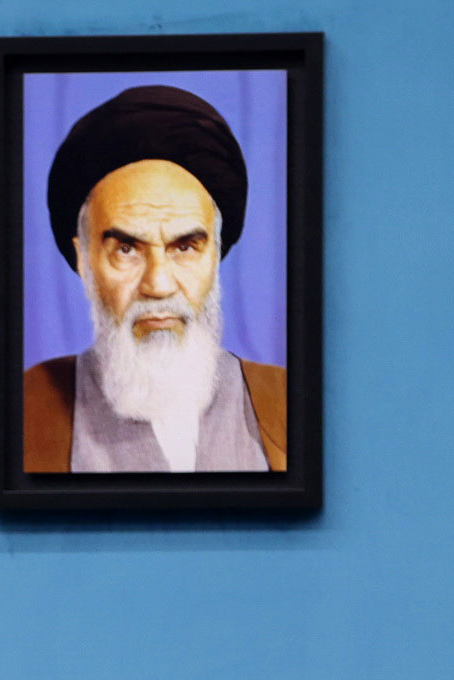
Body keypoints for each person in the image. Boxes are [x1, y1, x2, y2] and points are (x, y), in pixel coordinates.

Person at [23, 86, 286, 474]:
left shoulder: (286, 401)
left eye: (185, 247)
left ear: (215, 254)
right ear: (83, 258)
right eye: (127, 249)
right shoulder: (26, 407)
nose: (159, 285)